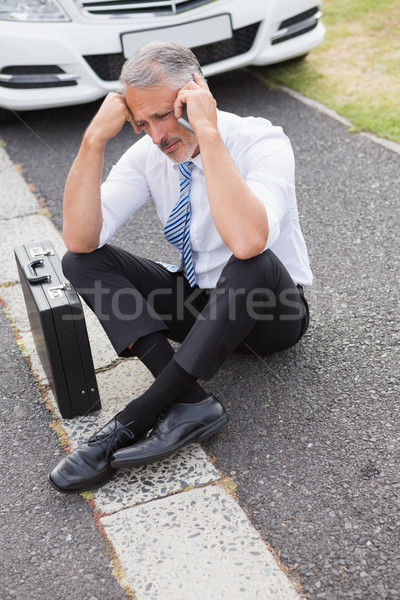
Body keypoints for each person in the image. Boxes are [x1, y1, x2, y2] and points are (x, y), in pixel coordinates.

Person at [48, 41, 312, 494]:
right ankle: (190, 401)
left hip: (271, 313)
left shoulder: (261, 140)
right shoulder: (149, 155)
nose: (156, 135)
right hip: (201, 307)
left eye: (164, 115)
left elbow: (248, 240)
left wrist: (207, 136)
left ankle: (136, 417)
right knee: (80, 260)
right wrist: (93, 140)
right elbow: (80, 237)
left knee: (252, 260)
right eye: (141, 123)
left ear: (196, 94)